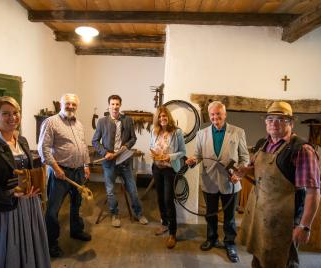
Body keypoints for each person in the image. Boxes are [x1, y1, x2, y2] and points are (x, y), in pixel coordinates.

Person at [0, 96, 50, 268]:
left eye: (16, 113)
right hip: (2, 213)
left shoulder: (22, 141)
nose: (12, 117)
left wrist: (34, 184)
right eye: (6, 113)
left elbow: (26, 173)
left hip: (28, 207)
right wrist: (10, 193)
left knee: (29, 251)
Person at [238, 101, 321, 268]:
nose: (274, 123)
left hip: (284, 222)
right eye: (270, 119)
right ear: (265, 122)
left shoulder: (301, 150)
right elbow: (258, 168)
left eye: (280, 119)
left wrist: (305, 226)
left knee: (282, 261)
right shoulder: (263, 143)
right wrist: (245, 171)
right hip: (260, 216)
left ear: (290, 122)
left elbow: (313, 192)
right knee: (260, 257)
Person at [185, 101, 249, 263]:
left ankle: (229, 243)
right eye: (212, 114)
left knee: (229, 217)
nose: (215, 117)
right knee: (210, 214)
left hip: (231, 182)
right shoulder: (202, 133)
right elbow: (198, 155)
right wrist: (193, 160)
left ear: (225, 114)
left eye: (218, 114)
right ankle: (211, 238)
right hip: (209, 181)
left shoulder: (238, 132)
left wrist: (239, 174)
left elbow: (245, 157)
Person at [38, 93, 91, 258]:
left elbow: (83, 146)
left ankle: (76, 230)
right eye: (68, 104)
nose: (71, 107)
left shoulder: (79, 124)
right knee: (53, 210)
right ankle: (51, 243)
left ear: (77, 106)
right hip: (60, 172)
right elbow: (43, 148)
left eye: (74, 104)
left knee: (76, 204)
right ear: (61, 104)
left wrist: (86, 165)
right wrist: (55, 167)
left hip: (78, 172)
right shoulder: (51, 122)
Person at [92, 94, 148, 227]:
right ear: (109, 105)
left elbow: (133, 138)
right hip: (109, 163)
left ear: (120, 105)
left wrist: (126, 147)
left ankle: (139, 213)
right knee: (110, 191)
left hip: (124, 162)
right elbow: (95, 141)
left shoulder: (128, 120)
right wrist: (105, 153)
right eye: (112, 104)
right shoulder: (102, 121)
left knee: (133, 190)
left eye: (117, 104)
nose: (115, 107)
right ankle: (114, 214)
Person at [150, 106, 186, 249]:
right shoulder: (154, 131)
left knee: (168, 200)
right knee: (159, 198)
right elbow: (151, 145)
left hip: (170, 170)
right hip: (157, 168)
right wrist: (153, 153)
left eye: (164, 116)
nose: (162, 119)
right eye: (159, 117)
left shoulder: (177, 132)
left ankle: (173, 233)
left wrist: (169, 156)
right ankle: (164, 224)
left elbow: (183, 152)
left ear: (168, 117)